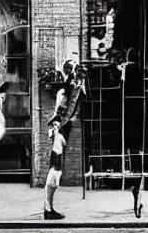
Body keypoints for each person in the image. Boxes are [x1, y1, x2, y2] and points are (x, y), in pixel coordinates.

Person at [43, 58, 87, 220]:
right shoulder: (65, 93)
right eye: (78, 78)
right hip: (59, 134)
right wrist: (56, 131)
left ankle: (48, 208)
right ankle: (48, 209)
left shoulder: (72, 92)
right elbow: (59, 115)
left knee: (56, 170)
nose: (80, 82)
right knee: (56, 170)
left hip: (61, 133)